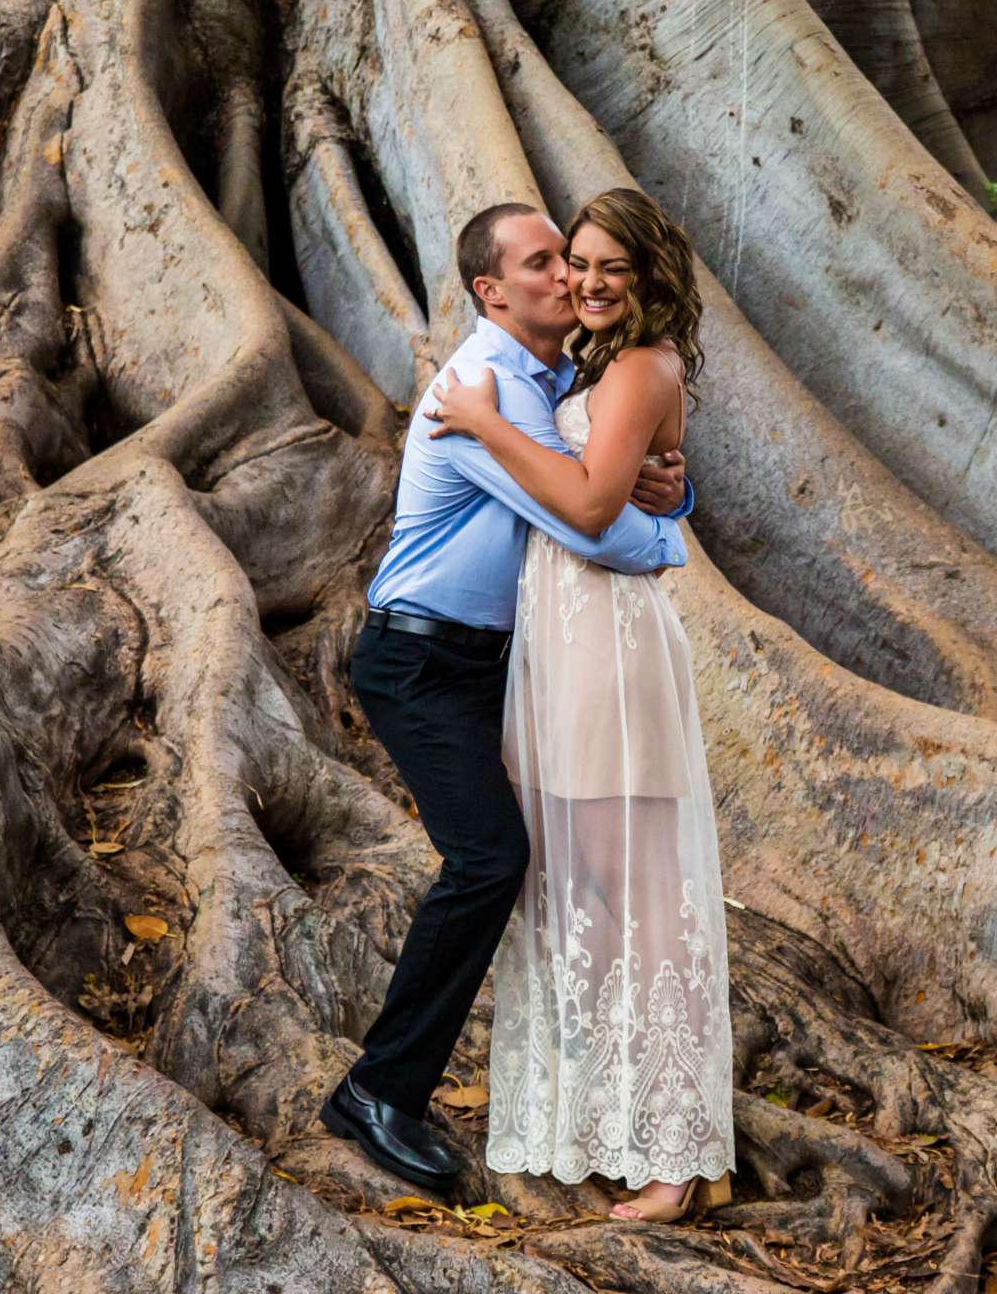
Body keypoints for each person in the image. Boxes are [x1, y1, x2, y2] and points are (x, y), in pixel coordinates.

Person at [321, 202, 693, 1196]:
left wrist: (673, 490)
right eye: (544, 264)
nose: (568, 278)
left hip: (504, 665)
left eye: (572, 261)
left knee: (578, 869)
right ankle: (379, 1090)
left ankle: (620, 1117)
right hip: (420, 663)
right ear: (490, 292)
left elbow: (619, 467)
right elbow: (590, 523)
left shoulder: (557, 379)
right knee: (491, 859)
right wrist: (669, 537)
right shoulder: (481, 387)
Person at [424, 186, 734, 1224]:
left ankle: (678, 1155)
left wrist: (477, 421)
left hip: (609, 648)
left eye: (610, 267)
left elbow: (594, 504)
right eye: (577, 264)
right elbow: (612, 476)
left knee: (640, 902)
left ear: (649, 276)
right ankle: (609, 1119)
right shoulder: (593, 366)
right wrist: (667, 484)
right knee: (586, 895)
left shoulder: (644, 365)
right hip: (555, 648)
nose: (588, 282)